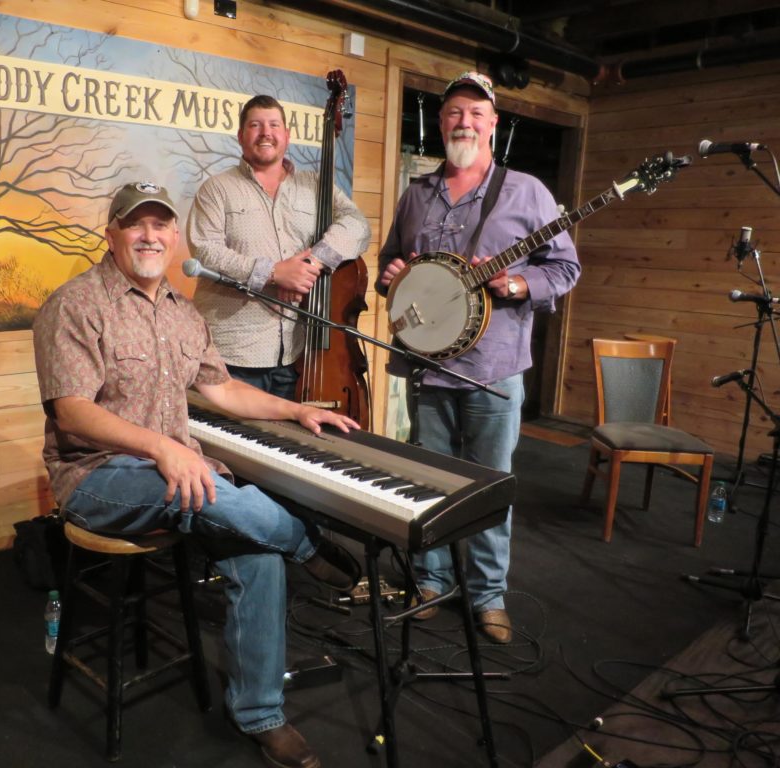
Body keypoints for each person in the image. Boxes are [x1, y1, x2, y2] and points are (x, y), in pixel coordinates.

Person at [33, 181, 361, 768]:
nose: (150, 236)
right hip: (95, 478)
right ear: (111, 234)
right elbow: (72, 411)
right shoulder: (76, 304)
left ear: (175, 236)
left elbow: (221, 388)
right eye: (136, 224)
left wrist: (296, 409)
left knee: (253, 547)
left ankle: (261, 713)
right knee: (207, 490)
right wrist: (162, 447)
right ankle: (306, 541)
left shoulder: (184, 315)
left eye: (161, 225)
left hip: (176, 474)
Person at [375, 72, 580, 643]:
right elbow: (391, 263)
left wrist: (516, 286)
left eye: (475, 113)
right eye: (453, 113)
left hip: (495, 369)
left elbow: (564, 268)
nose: (464, 122)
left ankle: (488, 595)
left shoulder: (527, 192)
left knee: (491, 485)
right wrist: (390, 275)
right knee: (430, 480)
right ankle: (431, 581)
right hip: (426, 367)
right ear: (441, 123)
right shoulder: (417, 193)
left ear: (493, 124)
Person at [187, 94, 371, 399]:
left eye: (274, 125)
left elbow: (358, 225)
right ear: (241, 136)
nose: (265, 132)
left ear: (287, 135)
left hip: (294, 354)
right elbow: (206, 251)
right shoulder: (216, 189)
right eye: (255, 125)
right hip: (232, 353)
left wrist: (312, 264)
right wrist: (273, 273)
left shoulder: (315, 185)